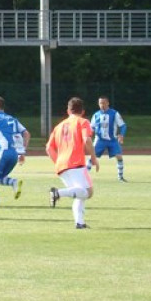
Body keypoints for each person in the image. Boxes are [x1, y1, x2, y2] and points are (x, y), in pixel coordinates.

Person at [46, 97, 98, 229]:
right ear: (83, 111)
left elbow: (48, 148)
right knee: (88, 192)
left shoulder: (58, 126)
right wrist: (93, 157)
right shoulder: (83, 122)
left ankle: (79, 223)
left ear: (68, 110)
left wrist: (57, 162)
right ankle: (57, 193)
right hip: (76, 163)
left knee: (78, 193)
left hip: (61, 165)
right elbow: (87, 140)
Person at [89, 96, 127, 181]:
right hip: (100, 140)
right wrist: (88, 136)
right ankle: (84, 177)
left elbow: (123, 125)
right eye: (100, 103)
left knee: (119, 157)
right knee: (92, 157)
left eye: (104, 103)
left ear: (108, 103)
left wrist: (121, 135)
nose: (102, 105)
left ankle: (120, 177)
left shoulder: (114, 113)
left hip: (112, 140)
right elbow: (91, 128)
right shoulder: (96, 115)